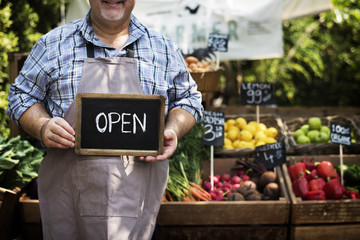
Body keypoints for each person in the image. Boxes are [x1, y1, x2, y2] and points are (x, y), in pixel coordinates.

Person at [6, 0, 203, 239]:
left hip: (138, 212)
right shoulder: (52, 44)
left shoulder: (163, 48)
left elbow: (188, 100)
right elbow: (21, 96)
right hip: (68, 206)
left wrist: (173, 128)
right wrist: (41, 125)